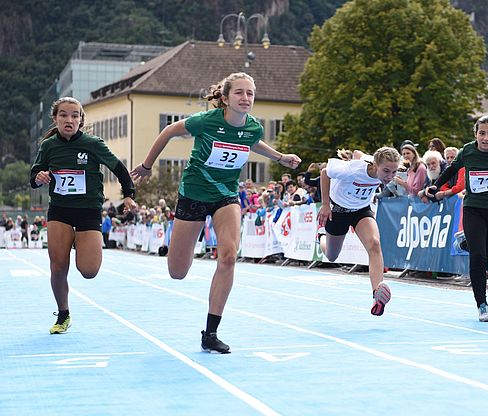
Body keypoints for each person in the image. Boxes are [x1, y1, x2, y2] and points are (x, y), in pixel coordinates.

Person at [131, 72, 301, 353]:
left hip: (226, 196)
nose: (246, 98)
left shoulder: (253, 128)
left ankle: (210, 333)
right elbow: (169, 131)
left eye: (250, 94)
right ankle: (180, 251)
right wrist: (148, 165)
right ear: (224, 98)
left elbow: (252, 141)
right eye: (239, 93)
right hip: (193, 195)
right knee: (177, 272)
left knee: (229, 257)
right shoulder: (205, 121)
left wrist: (280, 157)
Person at [29, 96, 137, 334]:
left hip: (88, 211)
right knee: (58, 268)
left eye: (75, 115)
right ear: (56, 119)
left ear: (80, 120)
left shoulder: (93, 144)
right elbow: (35, 174)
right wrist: (39, 177)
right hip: (60, 210)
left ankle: (82, 242)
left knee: (89, 271)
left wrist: (129, 194)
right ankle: (63, 314)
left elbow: (119, 169)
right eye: (64, 115)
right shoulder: (48, 146)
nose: (69, 120)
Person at [420, 115, 488, 321]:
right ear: (476, 134)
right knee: (478, 257)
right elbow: (452, 169)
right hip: (473, 208)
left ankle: (467, 243)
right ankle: (482, 305)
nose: (486, 138)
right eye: (482, 133)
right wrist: (436, 185)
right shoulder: (468, 151)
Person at [317, 147, 401, 316]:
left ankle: (377, 295)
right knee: (332, 256)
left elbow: (358, 152)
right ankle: (321, 236)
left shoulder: (378, 165)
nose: (389, 177)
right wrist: (325, 205)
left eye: (394, 172)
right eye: (385, 171)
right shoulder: (352, 170)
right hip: (338, 210)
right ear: (375, 165)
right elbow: (325, 172)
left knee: (375, 244)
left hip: (361, 210)